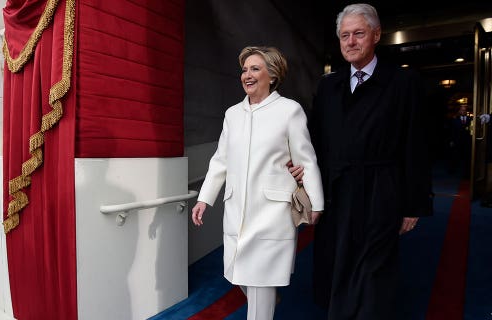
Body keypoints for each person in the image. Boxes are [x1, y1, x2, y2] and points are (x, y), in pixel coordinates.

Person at [307, 4, 432, 319]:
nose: (350, 42)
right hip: (336, 192)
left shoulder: (403, 83)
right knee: (337, 263)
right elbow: (313, 143)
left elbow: (415, 145)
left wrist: (414, 204)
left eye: (358, 34)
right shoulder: (327, 86)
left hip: (381, 192)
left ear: (376, 35)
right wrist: (306, 185)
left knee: (373, 271)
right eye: (344, 35)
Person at [191, 46, 324, 320]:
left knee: (261, 282)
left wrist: (316, 202)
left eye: (255, 69)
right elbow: (220, 160)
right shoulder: (232, 114)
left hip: (272, 212)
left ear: (272, 76)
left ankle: (264, 302)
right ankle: (266, 298)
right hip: (236, 210)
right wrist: (204, 198)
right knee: (239, 272)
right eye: (244, 69)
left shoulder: (289, 111)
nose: (247, 75)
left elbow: (306, 159)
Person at [448, 105, 472, 177]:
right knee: (455, 156)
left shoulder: (470, 119)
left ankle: (466, 173)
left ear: (466, 111)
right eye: (462, 110)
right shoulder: (454, 119)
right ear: (459, 111)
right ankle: (452, 170)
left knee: (466, 157)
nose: (463, 111)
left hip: (467, 141)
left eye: (464, 110)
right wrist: (451, 140)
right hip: (457, 140)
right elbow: (452, 131)